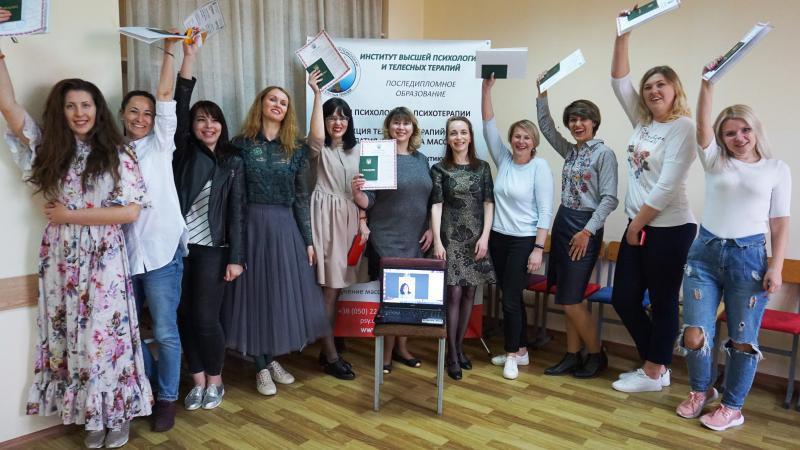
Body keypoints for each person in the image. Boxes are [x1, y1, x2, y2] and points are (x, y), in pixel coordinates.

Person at [1, 51, 152, 447]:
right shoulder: (49, 147)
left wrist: (70, 215)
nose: (79, 112)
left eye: (86, 105)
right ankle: (91, 417)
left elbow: (130, 211)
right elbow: (9, 107)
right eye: (71, 106)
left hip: (104, 256)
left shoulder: (118, 152)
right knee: (72, 335)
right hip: (62, 257)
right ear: (61, 111)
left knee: (105, 336)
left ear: (98, 110)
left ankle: (117, 414)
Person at [674, 59, 791, 431]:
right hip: (704, 254)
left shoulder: (776, 169)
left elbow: (779, 222)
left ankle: (733, 406)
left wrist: (776, 265)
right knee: (695, 333)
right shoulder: (715, 162)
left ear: (755, 130)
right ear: (721, 138)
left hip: (749, 259)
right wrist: (707, 83)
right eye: (729, 133)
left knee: (742, 340)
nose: (739, 138)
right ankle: (700, 391)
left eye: (744, 130)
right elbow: (702, 127)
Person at [222, 73, 331, 396]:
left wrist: (307, 239)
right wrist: (236, 247)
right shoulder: (240, 146)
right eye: (273, 99)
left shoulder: (294, 149)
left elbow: (301, 197)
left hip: (285, 228)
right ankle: (260, 366)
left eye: (283, 102)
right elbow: (235, 200)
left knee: (275, 297)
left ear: (287, 111)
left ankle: (270, 360)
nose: (278, 105)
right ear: (261, 104)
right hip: (252, 227)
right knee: (255, 297)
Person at [609, 10, 697, 393]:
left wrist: (636, 226)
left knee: (662, 303)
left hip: (670, 228)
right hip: (639, 225)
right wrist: (623, 34)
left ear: (675, 89)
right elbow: (619, 81)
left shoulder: (684, 127)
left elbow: (666, 186)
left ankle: (652, 370)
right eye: (648, 86)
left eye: (661, 85)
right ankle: (656, 366)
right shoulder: (643, 123)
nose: (652, 91)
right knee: (624, 299)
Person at [172, 36, 246, 411]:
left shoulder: (233, 161)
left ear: (222, 125)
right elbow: (179, 104)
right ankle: (197, 380)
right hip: (177, 248)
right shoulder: (184, 152)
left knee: (205, 317)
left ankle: (216, 380)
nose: (208, 125)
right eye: (201, 119)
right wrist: (188, 57)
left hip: (213, 251)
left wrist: (237, 258)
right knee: (183, 316)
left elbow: (237, 212)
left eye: (214, 119)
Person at [120, 38, 187, 431]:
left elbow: (165, 96)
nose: (141, 118)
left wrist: (169, 50)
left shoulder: (161, 144)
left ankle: (166, 398)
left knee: (164, 331)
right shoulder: (111, 153)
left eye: (146, 113)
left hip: (162, 254)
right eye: (134, 111)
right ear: (122, 114)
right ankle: (145, 388)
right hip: (124, 257)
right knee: (129, 332)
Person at [536, 78, 618, 378]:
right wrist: (542, 95)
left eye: (582, 119)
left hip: (585, 228)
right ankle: (572, 355)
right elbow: (547, 129)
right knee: (568, 296)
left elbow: (609, 199)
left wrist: (587, 232)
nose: (577, 124)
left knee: (571, 300)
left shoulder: (603, 154)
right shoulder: (572, 152)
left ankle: (597, 354)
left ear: (594, 122)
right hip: (563, 222)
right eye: (572, 119)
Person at [481, 75, 554, 380]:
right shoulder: (504, 160)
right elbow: (488, 126)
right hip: (499, 238)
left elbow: (545, 211)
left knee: (510, 298)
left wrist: (538, 248)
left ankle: (511, 355)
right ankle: (521, 350)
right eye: (516, 136)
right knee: (509, 296)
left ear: (534, 142)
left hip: (524, 241)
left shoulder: (540, 167)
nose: (520, 141)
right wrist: (486, 90)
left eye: (526, 137)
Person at [352, 106, 433, 373]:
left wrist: (431, 229)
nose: (401, 127)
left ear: (413, 128)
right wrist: (357, 192)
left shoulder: (422, 160)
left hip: (416, 240)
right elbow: (368, 200)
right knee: (391, 300)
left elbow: (429, 200)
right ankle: (386, 355)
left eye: (406, 123)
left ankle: (402, 348)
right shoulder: (379, 157)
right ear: (388, 127)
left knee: (410, 298)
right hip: (386, 239)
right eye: (396, 123)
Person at [431, 116, 496, 380]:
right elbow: (436, 205)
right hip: (450, 237)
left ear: (470, 137)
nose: (459, 137)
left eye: (463, 132)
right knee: (454, 293)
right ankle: (452, 354)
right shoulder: (439, 169)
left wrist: (485, 237)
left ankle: (459, 348)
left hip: (476, 238)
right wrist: (437, 241)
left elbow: (489, 203)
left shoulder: (483, 168)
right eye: (453, 133)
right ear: (447, 139)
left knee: (470, 291)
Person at [306, 83, 364, 380]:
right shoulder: (318, 149)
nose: (337, 122)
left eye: (343, 117)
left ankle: (328, 344)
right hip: (326, 219)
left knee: (338, 288)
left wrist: (363, 220)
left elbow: (366, 191)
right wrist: (318, 95)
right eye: (331, 117)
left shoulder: (358, 150)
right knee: (328, 290)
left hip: (350, 220)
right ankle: (329, 355)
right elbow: (316, 136)